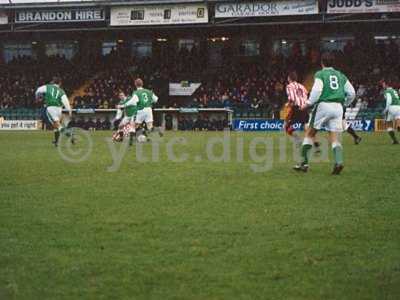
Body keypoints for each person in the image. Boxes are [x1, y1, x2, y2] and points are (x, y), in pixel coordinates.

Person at [294, 53, 356, 175]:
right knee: (334, 137)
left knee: (310, 133)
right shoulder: (341, 75)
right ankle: (338, 161)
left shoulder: (320, 74)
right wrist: (345, 104)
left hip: (324, 105)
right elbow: (352, 93)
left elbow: (317, 91)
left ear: (322, 63)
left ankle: (304, 163)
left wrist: (307, 103)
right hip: (338, 107)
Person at [285, 71, 320, 152]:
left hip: (296, 108)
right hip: (304, 107)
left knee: (286, 126)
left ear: (289, 78)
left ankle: (297, 139)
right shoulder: (302, 86)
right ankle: (316, 145)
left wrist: (288, 104)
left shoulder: (289, 86)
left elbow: (292, 98)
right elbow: (306, 95)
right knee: (306, 127)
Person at [35, 76, 73, 147]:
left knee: (57, 125)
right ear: (60, 83)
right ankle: (56, 142)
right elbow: (66, 101)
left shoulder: (47, 87)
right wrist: (69, 111)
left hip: (50, 108)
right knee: (56, 126)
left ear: (53, 82)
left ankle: (69, 134)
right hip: (59, 109)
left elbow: (38, 90)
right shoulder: (61, 91)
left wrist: (37, 96)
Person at [380, 78, 400, 144]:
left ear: (386, 84)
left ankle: (394, 140)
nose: (382, 85)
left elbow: (389, 101)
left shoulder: (387, 91)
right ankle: (398, 127)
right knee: (398, 123)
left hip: (392, 107)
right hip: (399, 106)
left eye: (383, 83)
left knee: (389, 124)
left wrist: (385, 110)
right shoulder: (394, 91)